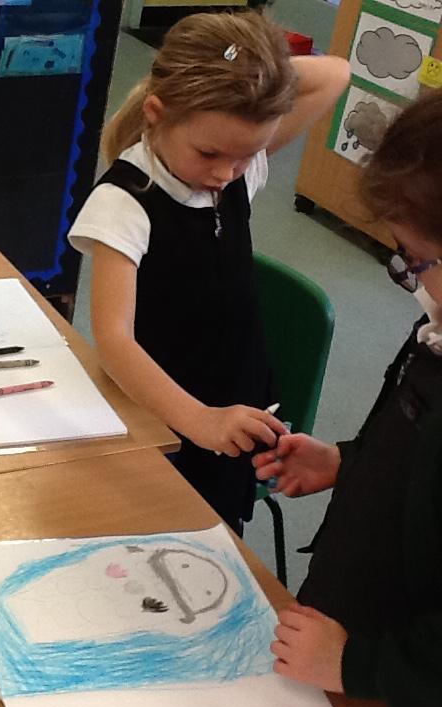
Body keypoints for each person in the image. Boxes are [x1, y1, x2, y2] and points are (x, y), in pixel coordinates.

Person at [67, 11, 350, 533]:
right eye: (209, 153)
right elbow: (113, 340)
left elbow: (337, 73)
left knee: (215, 541)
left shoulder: (232, 162)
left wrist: (253, 69)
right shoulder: (124, 203)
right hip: (162, 417)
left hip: (236, 408)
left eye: (245, 156)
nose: (225, 174)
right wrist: (199, 420)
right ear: (156, 113)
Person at [255, 90, 442, 707]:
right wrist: (348, 462)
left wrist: (354, 664)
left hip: (389, 684)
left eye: (416, 261)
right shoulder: (438, 330)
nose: (413, 282)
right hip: (342, 641)